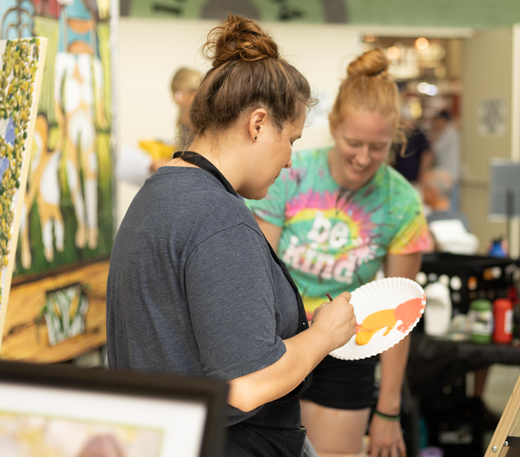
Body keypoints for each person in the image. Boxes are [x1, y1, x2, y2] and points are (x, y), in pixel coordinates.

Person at [107, 14, 356, 457]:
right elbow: (246, 384)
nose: (289, 162)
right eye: (292, 140)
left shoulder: (157, 195)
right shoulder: (219, 220)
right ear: (258, 124)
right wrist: (324, 336)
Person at [246, 48, 431, 457]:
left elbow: (403, 313)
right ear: (332, 126)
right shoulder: (288, 174)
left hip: (347, 355)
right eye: (353, 142)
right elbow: (256, 279)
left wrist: (388, 411)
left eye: (378, 147)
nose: (363, 158)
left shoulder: (400, 202)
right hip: (278, 346)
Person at [422, 168, 477, 255]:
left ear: (433, 192)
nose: (421, 192)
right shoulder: (463, 220)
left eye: (424, 188)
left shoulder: (424, 222)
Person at [392, 103, 432, 184]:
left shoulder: (418, 134)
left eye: (403, 120)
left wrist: (420, 178)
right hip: (399, 178)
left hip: (413, 179)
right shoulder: (398, 135)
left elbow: (427, 155)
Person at [430, 110, 460, 210]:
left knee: (450, 206)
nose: (437, 124)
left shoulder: (448, 132)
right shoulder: (451, 131)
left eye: (438, 121)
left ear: (443, 121)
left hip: (449, 176)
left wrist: (435, 133)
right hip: (449, 175)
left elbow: (434, 149)